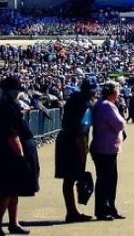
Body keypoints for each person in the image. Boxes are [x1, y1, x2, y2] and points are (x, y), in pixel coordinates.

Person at [0, 76, 39, 236]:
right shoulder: (8, 107)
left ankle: (13, 223)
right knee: (7, 190)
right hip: (10, 153)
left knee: (13, 190)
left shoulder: (3, 106)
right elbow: (13, 135)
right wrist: (22, 155)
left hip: (6, 151)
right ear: (13, 92)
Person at [55, 76, 97, 223]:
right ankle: (72, 212)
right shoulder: (83, 104)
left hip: (66, 139)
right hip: (72, 142)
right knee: (70, 178)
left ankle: (72, 211)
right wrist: (83, 152)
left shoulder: (74, 100)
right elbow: (80, 131)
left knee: (69, 179)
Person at [90, 80, 127, 221]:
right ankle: (104, 209)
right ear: (113, 92)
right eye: (117, 91)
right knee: (107, 180)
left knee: (106, 179)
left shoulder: (100, 104)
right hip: (106, 148)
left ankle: (108, 208)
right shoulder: (107, 106)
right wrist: (123, 120)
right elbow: (119, 124)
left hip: (103, 146)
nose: (118, 94)